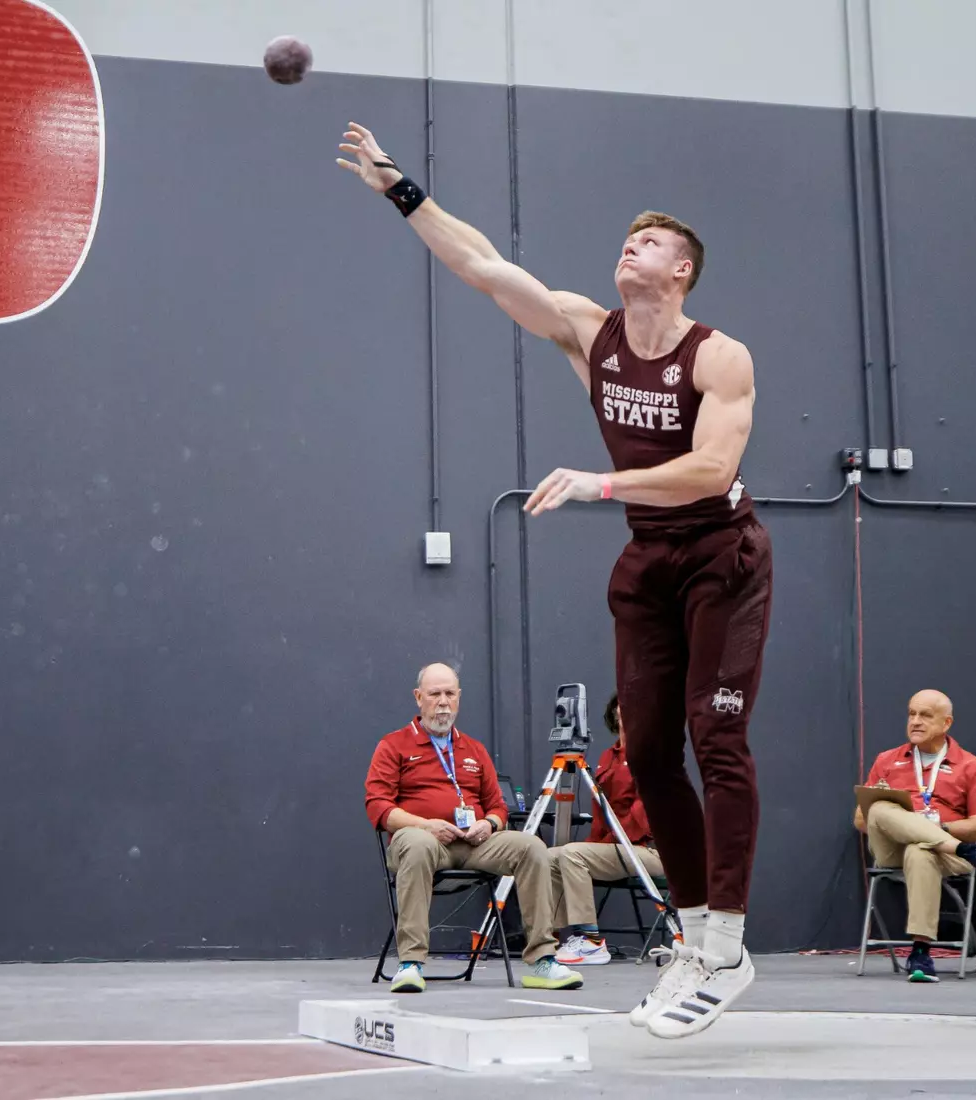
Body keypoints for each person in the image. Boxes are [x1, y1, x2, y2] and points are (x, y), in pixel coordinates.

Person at [338, 122, 768, 1037]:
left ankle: (727, 942)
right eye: (626, 238)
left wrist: (599, 480)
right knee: (648, 754)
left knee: (714, 739)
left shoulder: (719, 357)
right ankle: (693, 938)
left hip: (721, 556)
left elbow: (706, 466)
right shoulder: (591, 331)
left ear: (683, 270)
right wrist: (400, 191)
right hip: (649, 559)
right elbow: (485, 267)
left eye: (650, 242)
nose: (630, 246)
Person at [364, 662, 583, 994]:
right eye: (435, 694)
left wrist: (489, 823)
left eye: (450, 694)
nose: (443, 702)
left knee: (532, 847)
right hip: (423, 841)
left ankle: (542, 959)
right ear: (418, 697)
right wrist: (425, 825)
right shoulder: (393, 745)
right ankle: (411, 963)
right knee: (417, 843)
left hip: (475, 844)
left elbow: (497, 805)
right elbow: (378, 806)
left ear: (459, 698)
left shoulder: (473, 749)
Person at [854, 690, 976, 983]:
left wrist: (936, 831)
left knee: (920, 851)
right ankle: (969, 852)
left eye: (925, 715)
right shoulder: (887, 760)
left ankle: (920, 951)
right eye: (911, 714)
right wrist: (909, 824)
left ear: (946, 723)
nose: (916, 722)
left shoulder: (971, 765)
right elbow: (861, 819)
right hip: (892, 847)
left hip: (943, 855)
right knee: (879, 808)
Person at [551, 692, 665, 966]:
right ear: (615, 713)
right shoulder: (607, 756)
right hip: (615, 849)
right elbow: (600, 812)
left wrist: (603, 844)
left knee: (571, 854)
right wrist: (595, 844)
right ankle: (549, 937)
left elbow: (644, 813)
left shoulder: (652, 753)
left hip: (646, 849)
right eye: (622, 705)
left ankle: (590, 942)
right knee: (550, 855)